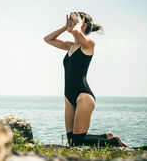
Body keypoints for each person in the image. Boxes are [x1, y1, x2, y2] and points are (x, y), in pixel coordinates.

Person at [44, 11, 128, 147]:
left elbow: (77, 34)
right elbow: (48, 39)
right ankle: (104, 137)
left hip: (84, 97)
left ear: (83, 25)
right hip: (69, 97)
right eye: (70, 21)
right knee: (72, 142)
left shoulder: (89, 44)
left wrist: (77, 24)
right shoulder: (70, 46)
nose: (71, 23)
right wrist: (65, 27)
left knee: (78, 143)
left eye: (74, 21)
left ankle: (114, 142)